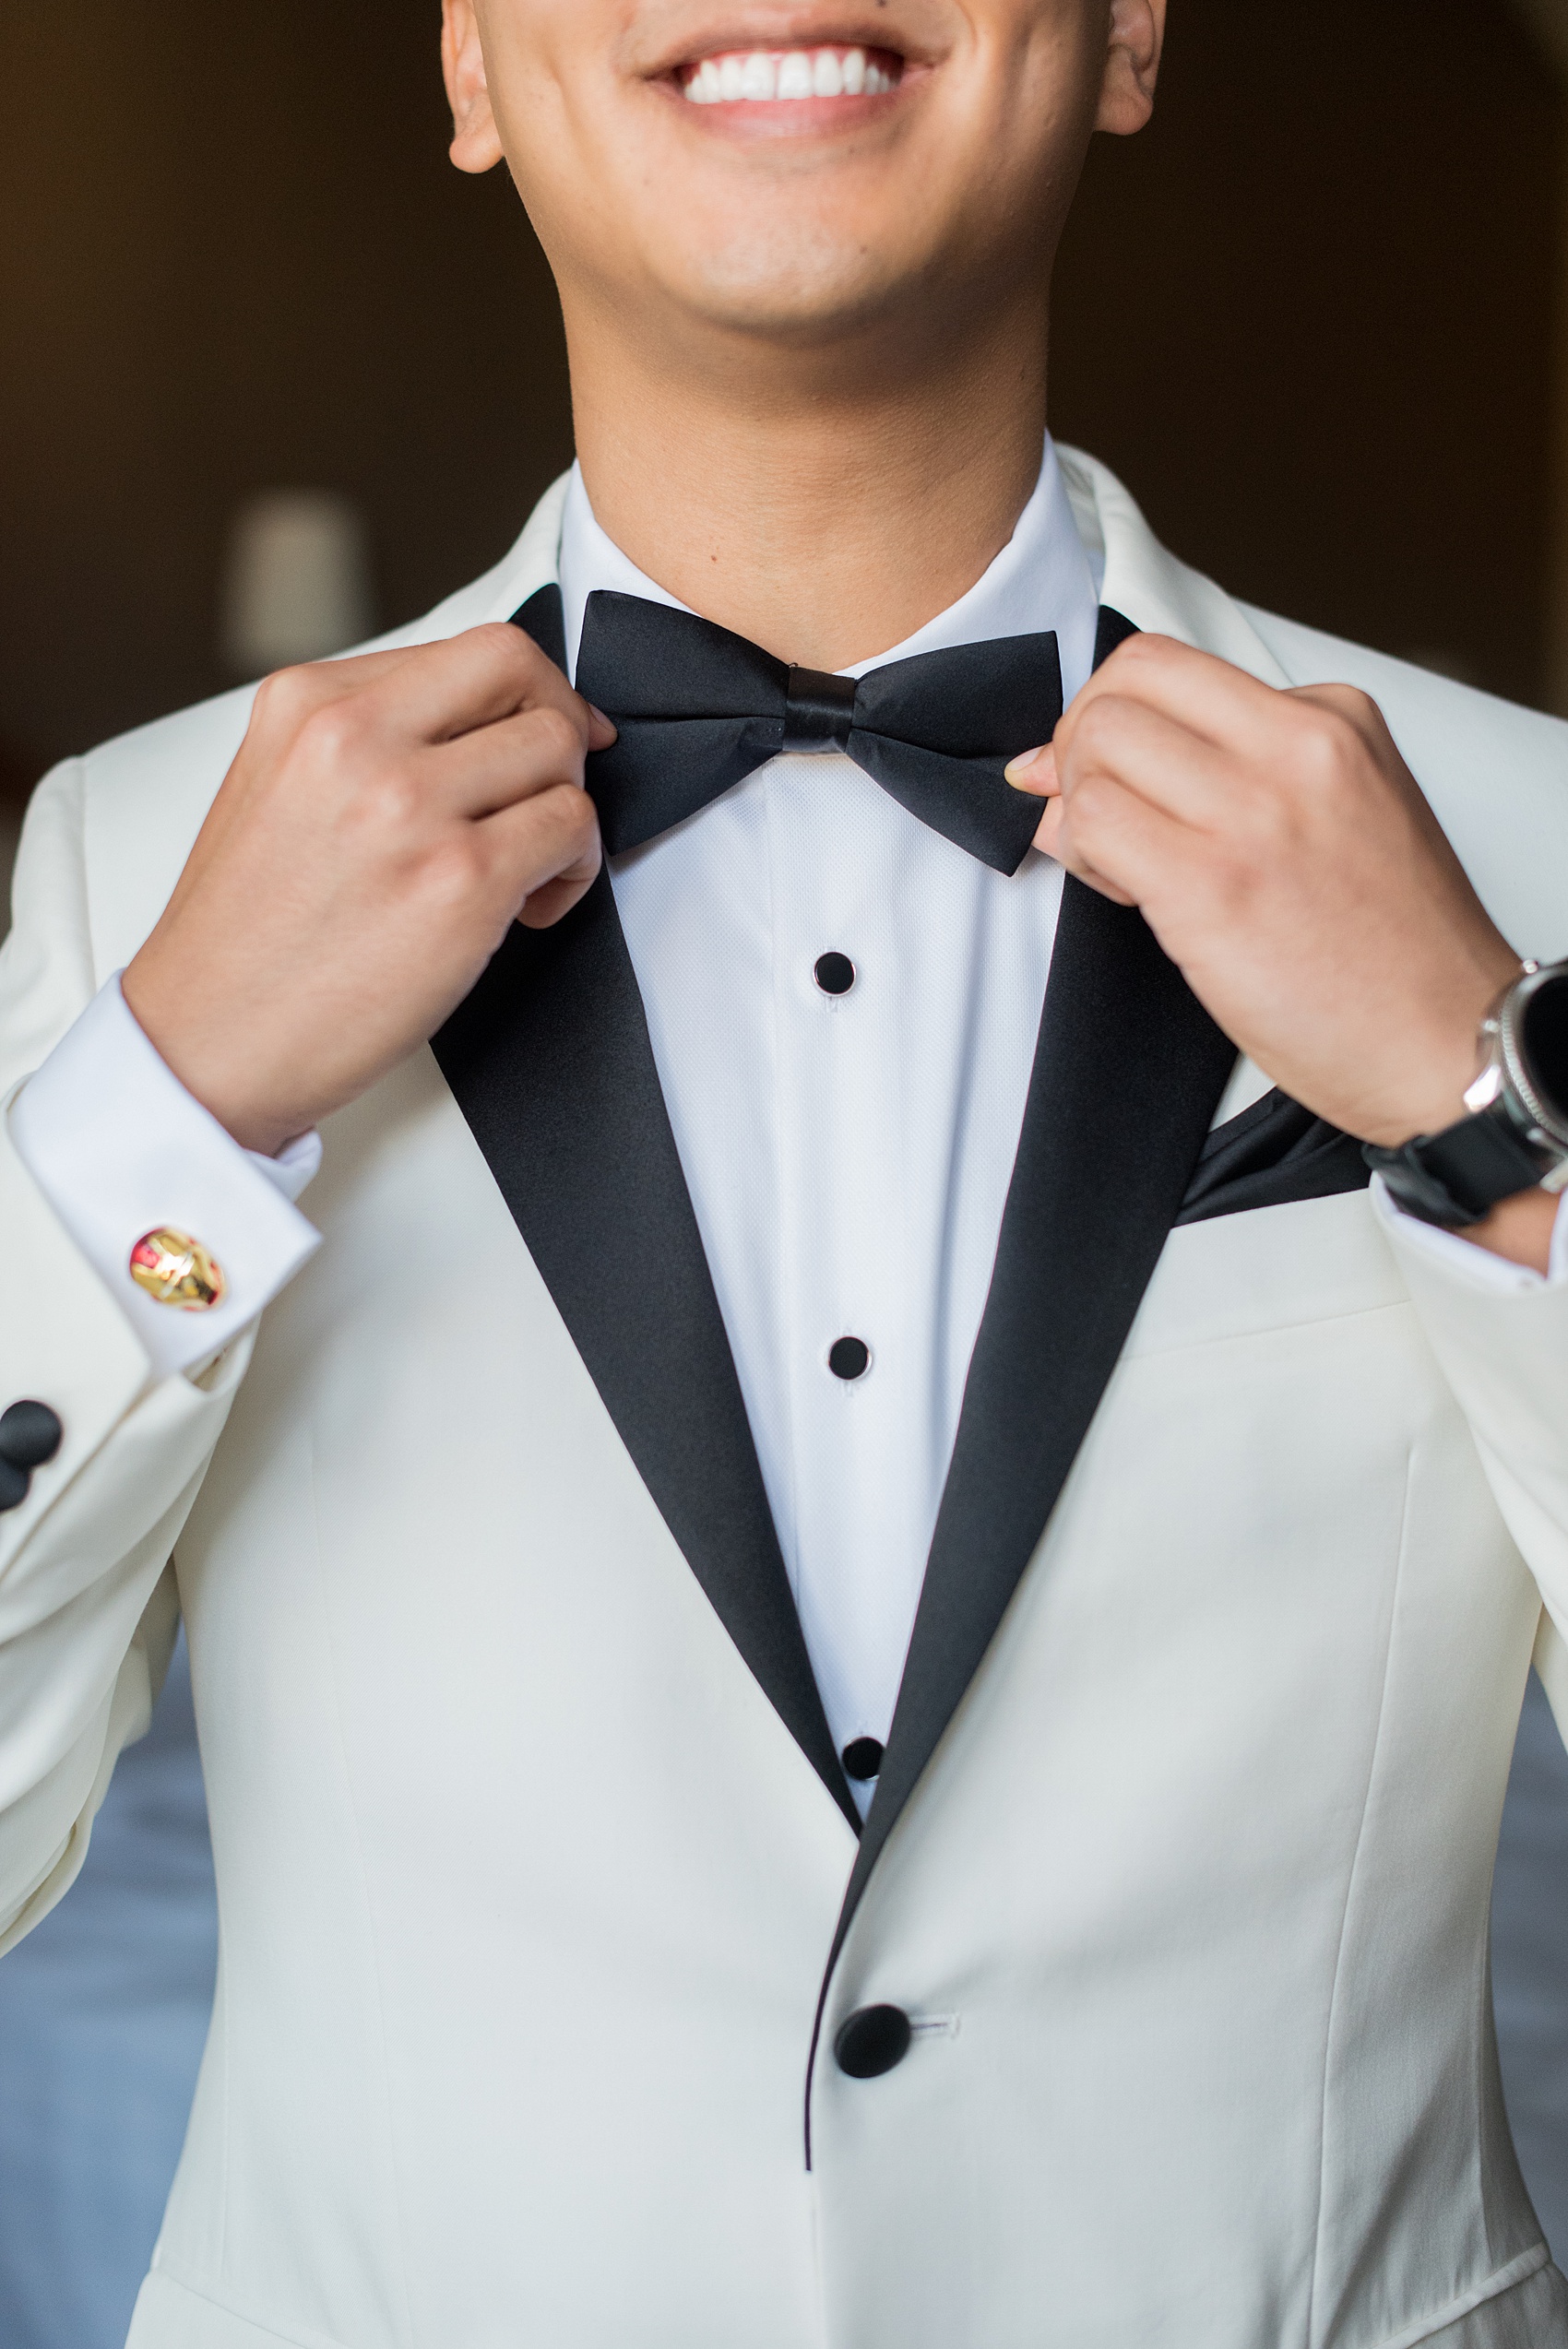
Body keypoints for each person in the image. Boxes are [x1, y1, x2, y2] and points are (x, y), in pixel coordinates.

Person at [3, 0, 1568, 2341]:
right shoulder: (139, 866)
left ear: (1130, 33)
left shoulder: (1518, 836)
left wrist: (1492, 1121)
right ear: (465, 64)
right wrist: (175, 1101)